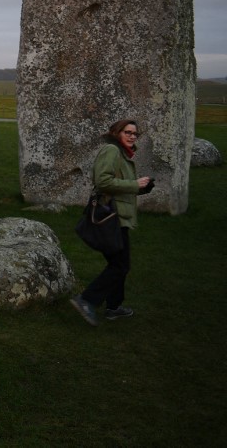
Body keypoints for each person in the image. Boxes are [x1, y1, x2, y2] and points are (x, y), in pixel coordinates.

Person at [69, 119, 154, 326]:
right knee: (120, 265)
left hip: (119, 217)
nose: (133, 136)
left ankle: (114, 307)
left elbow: (119, 185)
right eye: (128, 132)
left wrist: (141, 188)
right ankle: (87, 300)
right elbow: (103, 181)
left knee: (119, 264)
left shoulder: (122, 154)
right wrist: (134, 184)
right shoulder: (111, 150)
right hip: (112, 218)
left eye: (135, 133)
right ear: (117, 132)